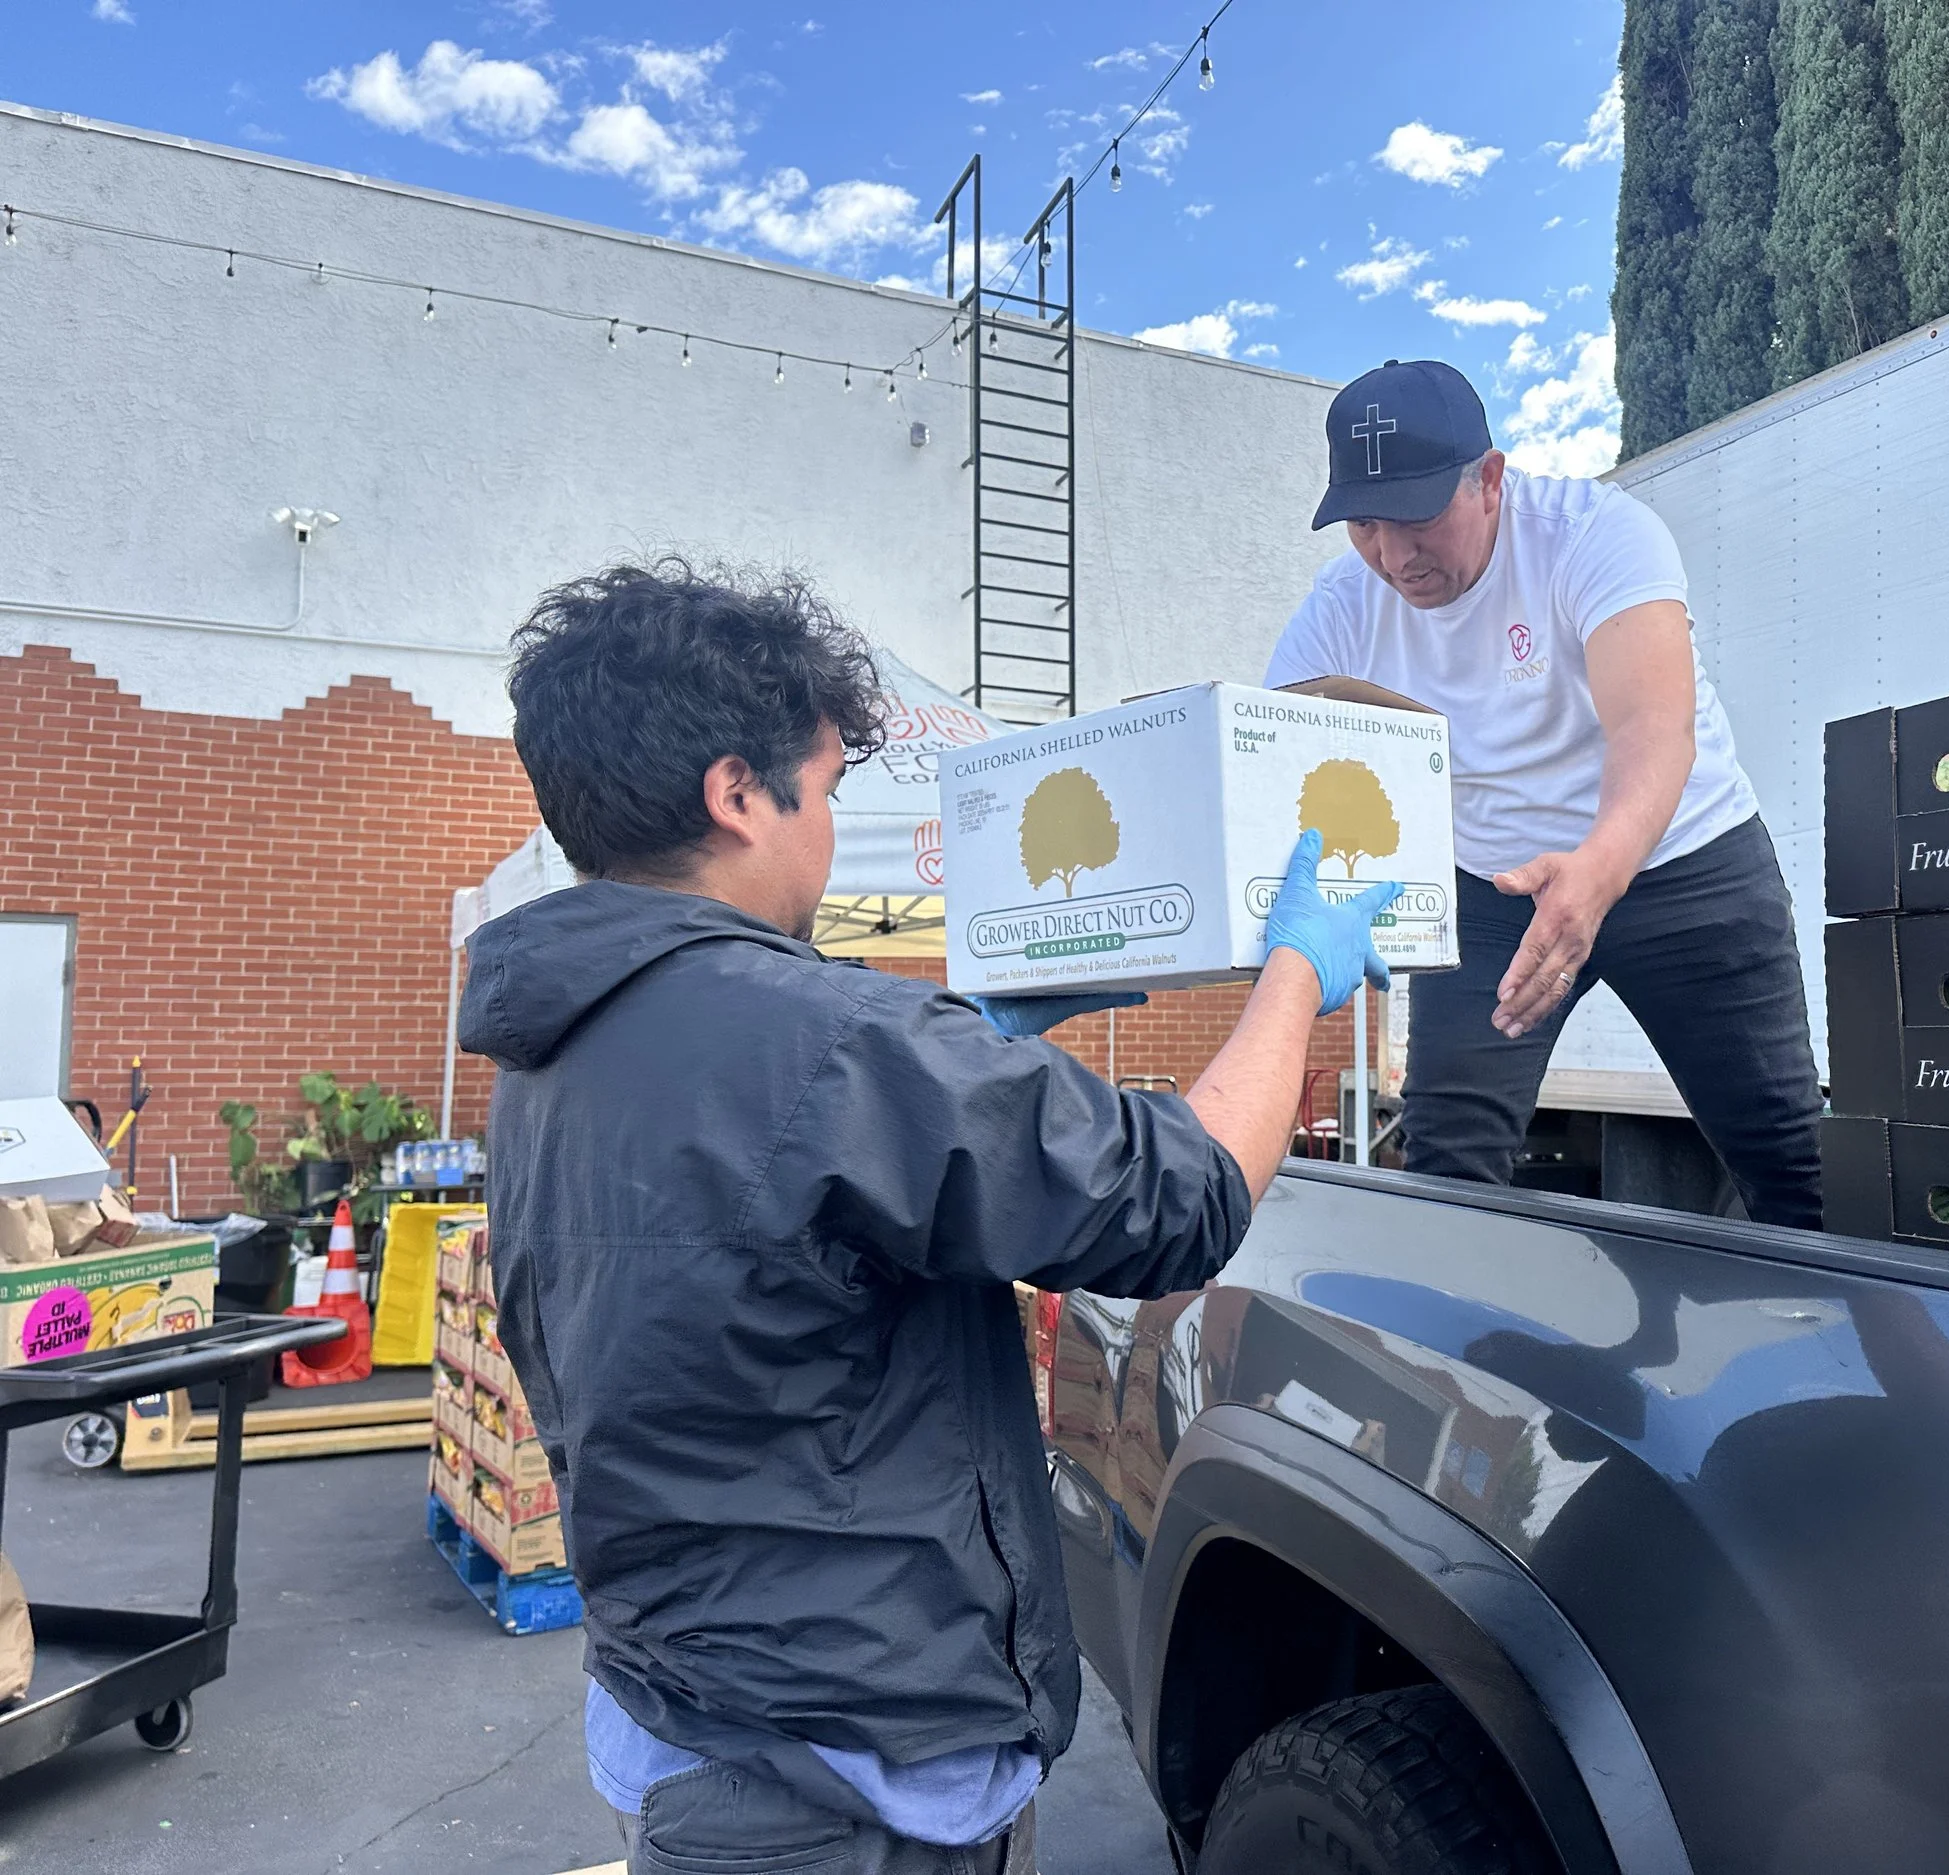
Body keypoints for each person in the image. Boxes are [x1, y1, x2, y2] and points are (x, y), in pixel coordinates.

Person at [458, 559, 1398, 1875]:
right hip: (836, 1772)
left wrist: (964, 1047)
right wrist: (1297, 968)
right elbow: (1179, 1196)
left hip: (676, 1701)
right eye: (828, 791)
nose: (831, 831)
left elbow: (782, 1198)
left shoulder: (556, 1046)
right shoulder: (826, 1043)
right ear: (737, 791)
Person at [1266, 359, 1821, 1227]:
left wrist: (1597, 874)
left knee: (1790, 1156)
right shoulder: (1343, 604)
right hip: (1492, 890)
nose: (1395, 555)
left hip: (1680, 858)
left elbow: (1653, 730)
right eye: (1366, 525)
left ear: (1489, 479)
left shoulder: (1597, 535)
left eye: (1417, 518)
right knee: (1449, 1169)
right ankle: (1448, 1358)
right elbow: (1267, 753)